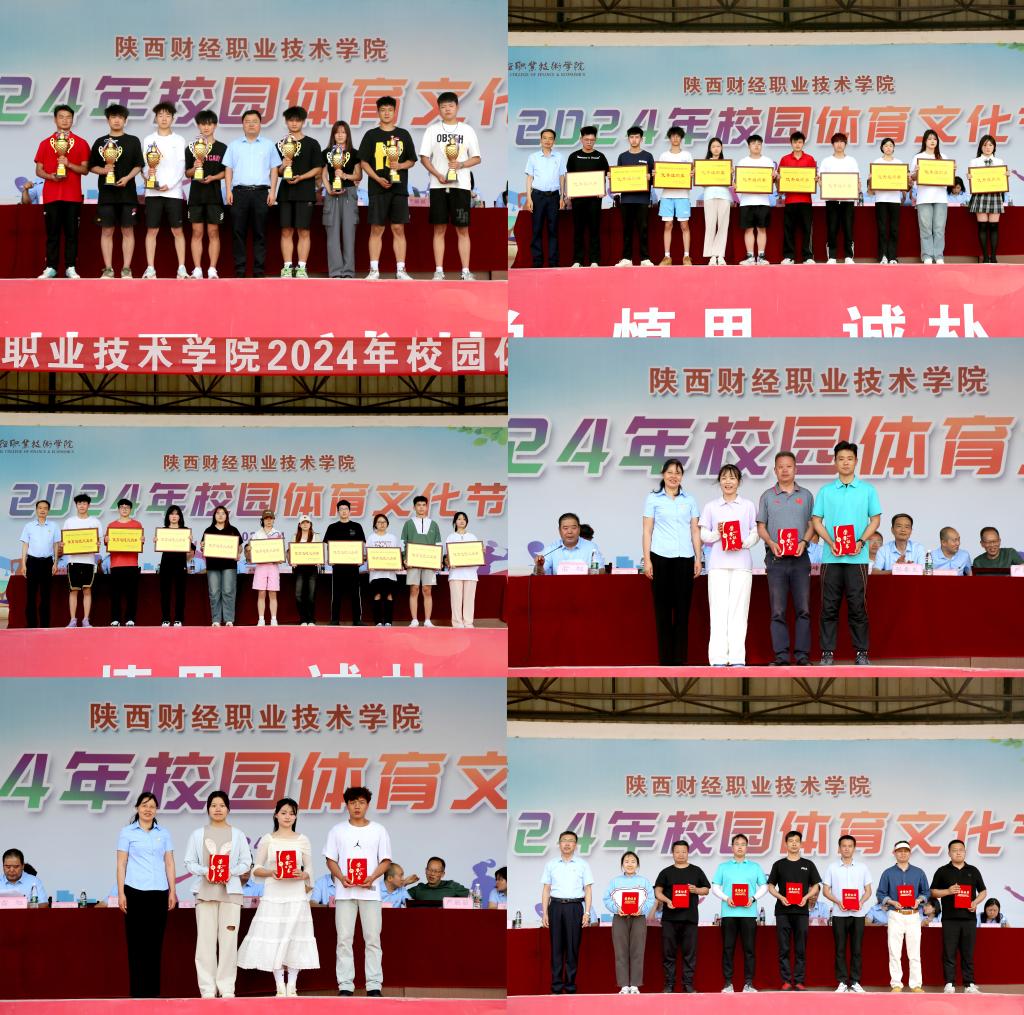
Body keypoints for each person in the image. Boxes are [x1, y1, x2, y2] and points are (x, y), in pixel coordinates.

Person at [237, 797, 318, 997]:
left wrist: (303, 874)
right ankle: (279, 986)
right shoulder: (268, 839)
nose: (287, 816)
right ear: (276, 815)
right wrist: (271, 872)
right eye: (283, 813)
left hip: (296, 895)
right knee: (275, 937)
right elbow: (256, 868)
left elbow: (309, 869)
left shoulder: (302, 839)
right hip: (274, 894)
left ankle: (293, 985)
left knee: (295, 939)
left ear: (296, 817)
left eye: (291, 813)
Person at [812, 441, 881, 665]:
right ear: (835, 462)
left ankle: (862, 652)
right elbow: (816, 521)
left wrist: (861, 541)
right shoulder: (826, 491)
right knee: (829, 606)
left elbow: (875, 520)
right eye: (841, 459)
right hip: (831, 557)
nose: (845, 463)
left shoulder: (867, 490)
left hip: (857, 558)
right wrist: (830, 542)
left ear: (856, 461)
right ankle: (827, 653)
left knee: (857, 606)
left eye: (849, 459)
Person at [184, 791, 253, 999]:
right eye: (213, 805)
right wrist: (207, 871)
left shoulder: (237, 835)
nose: (217, 809)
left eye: (222, 805)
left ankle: (227, 988)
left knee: (229, 942)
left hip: (230, 894)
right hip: (205, 893)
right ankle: (207, 989)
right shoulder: (198, 834)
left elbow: (246, 862)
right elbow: (189, 862)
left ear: (228, 809)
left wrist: (229, 872)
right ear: (208, 809)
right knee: (205, 942)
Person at [324, 786, 392, 998]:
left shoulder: (379, 830)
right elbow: (330, 859)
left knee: (372, 939)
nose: (357, 806)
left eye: (361, 802)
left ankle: (374, 986)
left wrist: (372, 877)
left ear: (367, 805)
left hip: (370, 892)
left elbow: (386, 860)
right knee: (344, 939)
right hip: (345, 893)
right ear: (347, 805)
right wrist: (341, 877)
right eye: (353, 802)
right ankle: (345, 985)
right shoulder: (337, 830)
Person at [757, 452, 815, 665]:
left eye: (789, 466)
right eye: (780, 466)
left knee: (804, 610)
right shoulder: (767, 496)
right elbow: (761, 526)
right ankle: (781, 657)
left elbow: (812, 525)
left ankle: (802, 656)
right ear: (775, 470)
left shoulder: (806, 495)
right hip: (776, 559)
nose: (784, 470)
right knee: (778, 611)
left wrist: (804, 542)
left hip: (800, 558)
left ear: (795, 469)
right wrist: (771, 542)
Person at [116, 792, 176, 998]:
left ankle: (152, 993)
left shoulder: (164, 833)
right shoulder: (127, 832)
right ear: (137, 808)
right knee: (136, 944)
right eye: (144, 805)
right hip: (134, 892)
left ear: (156, 810)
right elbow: (121, 864)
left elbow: (169, 863)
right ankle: (137, 993)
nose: (148, 809)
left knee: (154, 944)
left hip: (159, 893)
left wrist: (173, 891)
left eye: (152, 806)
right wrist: (121, 893)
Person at [642, 459, 701, 665]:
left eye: (678, 473)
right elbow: (647, 531)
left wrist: (699, 558)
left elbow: (695, 531)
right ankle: (666, 660)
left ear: (682, 476)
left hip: (685, 559)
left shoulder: (690, 500)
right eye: (670, 472)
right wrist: (647, 560)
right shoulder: (653, 499)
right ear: (663, 474)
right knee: (663, 611)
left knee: (683, 611)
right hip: (660, 558)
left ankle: (680, 659)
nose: (673, 476)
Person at [700, 465, 759, 667]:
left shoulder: (748, 506)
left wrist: (744, 542)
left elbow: (756, 532)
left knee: (739, 612)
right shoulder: (711, 507)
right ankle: (717, 657)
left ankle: (736, 657)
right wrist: (718, 533)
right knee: (718, 611)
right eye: (724, 478)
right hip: (717, 564)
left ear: (739, 482)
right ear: (719, 481)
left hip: (742, 564)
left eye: (732, 478)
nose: (728, 482)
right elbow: (703, 534)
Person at [418, 90, 481, 280]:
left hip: (460, 187)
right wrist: (437, 174)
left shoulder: (467, 130)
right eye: (443, 106)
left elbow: (476, 158)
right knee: (439, 229)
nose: (447, 109)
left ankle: (465, 271)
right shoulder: (432, 130)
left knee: (463, 229)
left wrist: (461, 164)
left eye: (451, 106)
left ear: (457, 107)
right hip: (438, 187)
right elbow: (424, 157)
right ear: (438, 109)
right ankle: (439, 270)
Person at [357, 96, 416, 280]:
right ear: (378, 112)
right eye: (383, 110)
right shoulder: (371, 135)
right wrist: (377, 178)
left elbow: (412, 160)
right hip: (377, 188)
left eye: (390, 109)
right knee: (377, 229)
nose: (386, 113)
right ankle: (374, 270)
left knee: (398, 228)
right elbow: (363, 162)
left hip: (399, 189)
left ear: (395, 112)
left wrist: (400, 166)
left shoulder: (403, 134)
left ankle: (401, 270)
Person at [223, 109, 282, 278]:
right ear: (242, 124)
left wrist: (273, 192)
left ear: (260, 124)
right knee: (238, 233)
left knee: (260, 234)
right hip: (239, 193)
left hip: (261, 193)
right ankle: (240, 271)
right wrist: (228, 190)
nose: (251, 124)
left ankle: (258, 271)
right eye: (247, 121)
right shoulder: (234, 145)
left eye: (254, 121)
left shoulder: (268, 145)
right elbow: (228, 169)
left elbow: (274, 169)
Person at [34, 103, 88, 279]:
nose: (65, 120)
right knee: (52, 234)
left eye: (68, 117)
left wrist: (68, 164)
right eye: (61, 117)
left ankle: (70, 267)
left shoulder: (81, 143)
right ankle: (51, 267)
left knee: (72, 234)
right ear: (55, 119)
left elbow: (85, 170)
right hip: (51, 196)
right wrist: (51, 176)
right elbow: (38, 170)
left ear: (73, 120)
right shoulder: (45, 143)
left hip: (72, 196)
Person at [90, 103, 144, 278]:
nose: (117, 120)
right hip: (107, 194)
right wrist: (104, 170)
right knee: (107, 231)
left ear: (125, 120)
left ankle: (126, 268)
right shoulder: (100, 142)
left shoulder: (133, 141)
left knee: (128, 231)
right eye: (113, 117)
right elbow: (91, 166)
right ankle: (108, 268)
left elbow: (139, 165)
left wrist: (127, 178)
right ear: (108, 120)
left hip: (128, 194)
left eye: (120, 117)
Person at [766, 830, 821, 991]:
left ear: (801, 844)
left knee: (800, 948)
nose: (794, 843)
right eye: (791, 841)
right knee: (784, 948)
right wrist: (780, 897)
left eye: (797, 841)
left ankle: (798, 980)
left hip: (802, 911)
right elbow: (771, 886)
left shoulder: (808, 864)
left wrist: (807, 897)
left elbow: (816, 885)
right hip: (783, 911)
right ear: (786, 844)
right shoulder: (779, 864)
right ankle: (786, 981)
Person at [712, 834, 767, 992]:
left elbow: (764, 886)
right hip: (728, 913)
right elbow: (715, 887)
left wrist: (753, 898)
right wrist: (726, 898)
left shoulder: (755, 867)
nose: (740, 847)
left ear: (747, 847)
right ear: (732, 847)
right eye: (737, 844)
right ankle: (728, 983)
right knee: (728, 949)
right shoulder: (723, 867)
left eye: (743, 844)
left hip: (749, 914)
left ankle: (748, 983)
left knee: (749, 950)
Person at [931, 838, 987, 993]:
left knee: (968, 952)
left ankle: (969, 984)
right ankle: (949, 983)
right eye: (954, 850)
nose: (958, 852)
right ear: (949, 853)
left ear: (965, 852)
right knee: (949, 952)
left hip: (969, 919)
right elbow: (933, 892)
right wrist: (948, 891)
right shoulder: (942, 871)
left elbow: (983, 891)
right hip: (950, 919)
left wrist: (975, 902)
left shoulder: (973, 870)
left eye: (961, 850)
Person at [654, 840, 710, 993]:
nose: (680, 854)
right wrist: (667, 901)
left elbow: (706, 889)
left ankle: (688, 984)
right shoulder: (666, 872)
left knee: (689, 954)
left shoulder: (696, 871)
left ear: (688, 853)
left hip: (689, 919)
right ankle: (669, 985)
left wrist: (696, 890)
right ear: (672, 853)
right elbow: (657, 892)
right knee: (668, 954)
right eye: (677, 851)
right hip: (669, 919)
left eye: (683, 851)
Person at [541, 830, 593, 995]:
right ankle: (556, 987)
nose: (567, 843)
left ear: (575, 845)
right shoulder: (551, 864)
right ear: (559, 843)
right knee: (556, 948)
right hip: (556, 906)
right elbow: (546, 889)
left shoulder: (582, 864)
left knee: (572, 948)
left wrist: (587, 913)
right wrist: (545, 913)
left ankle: (570, 987)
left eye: (571, 840)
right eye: (564, 840)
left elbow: (588, 889)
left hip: (575, 907)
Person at [274, 106, 322, 278]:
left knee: (304, 230)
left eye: (297, 120)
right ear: (286, 122)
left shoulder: (312, 143)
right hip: (285, 193)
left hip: (305, 192)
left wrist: (301, 177)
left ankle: (301, 267)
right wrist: (283, 166)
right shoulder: (280, 145)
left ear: (303, 122)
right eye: (291, 120)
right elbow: (276, 171)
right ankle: (287, 266)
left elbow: (318, 168)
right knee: (286, 230)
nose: (294, 123)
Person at [140, 102, 187, 279]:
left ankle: (181, 268)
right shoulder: (148, 139)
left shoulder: (179, 140)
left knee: (178, 230)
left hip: (173, 193)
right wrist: (148, 175)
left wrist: (171, 184)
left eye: (167, 115)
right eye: (160, 115)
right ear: (156, 118)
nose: (164, 118)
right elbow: (145, 166)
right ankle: (150, 268)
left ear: (173, 118)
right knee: (152, 230)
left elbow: (181, 166)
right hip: (153, 193)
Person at [877, 839, 930, 993]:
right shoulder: (888, 873)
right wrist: (892, 902)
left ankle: (916, 984)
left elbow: (926, 892)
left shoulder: (919, 872)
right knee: (894, 951)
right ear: (894, 853)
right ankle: (896, 984)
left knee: (914, 952)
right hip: (896, 914)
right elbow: (880, 894)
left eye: (905, 851)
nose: (902, 854)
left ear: (910, 853)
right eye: (899, 851)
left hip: (913, 915)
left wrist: (918, 900)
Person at [821, 834, 872, 993]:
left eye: (850, 846)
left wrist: (861, 902)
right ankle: (842, 981)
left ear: (854, 848)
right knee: (840, 949)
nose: (847, 849)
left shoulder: (862, 867)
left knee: (857, 949)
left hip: (858, 915)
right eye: (844, 846)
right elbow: (825, 890)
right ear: (839, 848)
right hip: (839, 914)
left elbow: (868, 891)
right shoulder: (832, 867)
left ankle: (855, 981)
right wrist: (838, 902)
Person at [603, 851, 655, 994]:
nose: (630, 864)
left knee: (637, 951)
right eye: (626, 861)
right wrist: (617, 909)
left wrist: (641, 910)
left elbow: (651, 899)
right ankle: (624, 985)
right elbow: (606, 899)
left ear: (637, 864)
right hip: (619, 918)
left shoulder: (644, 881)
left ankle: (635, 985)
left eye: (633, 861)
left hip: (638, 918)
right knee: (621, 952)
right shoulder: (615, 882)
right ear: (622, 865)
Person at [184, 109, 227, 279]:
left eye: (209, 124)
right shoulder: (191, 148)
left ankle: (212, 269)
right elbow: (187, 173)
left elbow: (226, 172)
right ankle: (197, 269)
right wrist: (195, 167)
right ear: (198, 126)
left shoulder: (222, 148)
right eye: (203, 124)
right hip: (196, 197)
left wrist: (214, 177)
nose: (206, 127)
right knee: (196, 232)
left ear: (215, 125)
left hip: (214, 196)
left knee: (213, 232)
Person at [321, 120, 361, 279]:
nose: (340, 135)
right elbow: (323, 174)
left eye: (343, 132)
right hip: (332, 195)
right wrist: (329, 189)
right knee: (332, 234)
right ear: (333, 135)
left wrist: (344, 175)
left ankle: (348, 271)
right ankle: (335, 272)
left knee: (349, 234)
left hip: (349, 194)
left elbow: (358, 175)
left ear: (347, 135)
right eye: (337, 132)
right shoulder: (326, 153)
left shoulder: (354, 153)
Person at [565, 125, 608, 267]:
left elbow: (606, 175)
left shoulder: (600, 156)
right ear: (581, 139)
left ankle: (594, 260)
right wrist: (569, 193)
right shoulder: (574, 156)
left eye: (592, 140)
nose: (589, 142)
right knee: (578, 230)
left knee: (594, 230)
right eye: (586, 139)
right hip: (578, 200)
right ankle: (577, 260)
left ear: (595, 140)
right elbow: (569, 176)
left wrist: (603, 189)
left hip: (595, 200)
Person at [524, 128, 565, 268]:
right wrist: (529, 198)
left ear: (554, 141)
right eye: (545, 138)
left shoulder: (559, 157)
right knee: (536, 230)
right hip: (537, 196)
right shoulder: (533, 157)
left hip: (554, 196)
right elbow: (529, 178)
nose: (547, 141)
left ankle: (553, 262)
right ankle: (537, 262)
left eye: (550, 138)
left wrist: (562, 197)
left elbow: (562, 177)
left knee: (553, 230)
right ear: (540, 140)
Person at [615, 126, 655, 267]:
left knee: (643, 229)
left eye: (637, 137)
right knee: (627, 229)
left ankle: (645, 258)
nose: (634, 140)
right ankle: (627, 258)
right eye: (631, 137)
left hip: (642, 199)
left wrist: (650, 177)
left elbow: (655, 178)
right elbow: (618, 178)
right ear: (628, 139)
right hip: (626, 199)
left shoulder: (648, 156)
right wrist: (613, 178)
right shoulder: (622, 156)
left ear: (641, 139)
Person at [818, 132, 860, 263]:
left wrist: (857, 188)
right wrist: (821, 183)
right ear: (832, 144)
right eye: (836, 142)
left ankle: (848, 256)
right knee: (832, 228)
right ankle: (832, 256)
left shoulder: (851, 160)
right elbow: (821, 181)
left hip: (848, 200)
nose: (839, 144)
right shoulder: (826, 161)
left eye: (842, 141)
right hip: (832, 200)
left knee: (848, 228)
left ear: (845, 144)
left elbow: (857, 180)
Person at [401, 496, 442, 627]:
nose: (421, 507)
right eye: (418, 505)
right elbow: (403, 542)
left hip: (429, 562)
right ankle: (414, 619)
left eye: (424, 505)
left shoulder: (433, 524)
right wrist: (405, 558)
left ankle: (428, 620)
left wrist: (438, 560)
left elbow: (438, 543)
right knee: (414, 589)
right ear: (414, 507)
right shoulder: (408, 524)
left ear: (427, 507)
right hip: (413, 562)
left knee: (427, 589)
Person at [19, 498, 59, 628]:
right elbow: (25, 545)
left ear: (48, 511)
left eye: (45, 508)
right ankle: (31, 625)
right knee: (31, 595)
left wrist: (55, 563)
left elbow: (56, 545)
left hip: (47, 563)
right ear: (36, 510)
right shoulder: (29, 526)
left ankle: (45, 625)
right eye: (40, 508)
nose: (42, 510)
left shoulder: (53, 526)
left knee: (45, 595)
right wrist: (23, 564)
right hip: (32, 562)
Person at [324, 499, 365, 625]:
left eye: (346, 509)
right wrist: (329, 559)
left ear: (349, 511)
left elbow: (362, 544)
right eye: (341, 509)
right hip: (337, 566)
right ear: (338, 512)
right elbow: (327, 545)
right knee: (336, 594)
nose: (344, 511)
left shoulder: (357, 526)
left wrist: (361, 558)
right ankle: (334, 620)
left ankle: (357, 620)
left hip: (353, 567)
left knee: (355, 594)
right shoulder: (332, 527)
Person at [911, 129, 949, 264]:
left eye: (935, 139)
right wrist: (916, 173)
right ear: (925, 141)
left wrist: (952, 171)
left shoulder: (943, 157)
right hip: (924, 197)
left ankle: (939, 256)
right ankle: (927, 255)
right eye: (930, 139)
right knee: (925, 228)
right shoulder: (918, 157)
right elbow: (912, 178)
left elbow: (949, 177)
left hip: (940, 198)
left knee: (939, 229)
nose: (932, 141)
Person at [657, 126, 694, 266]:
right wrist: (657, 175)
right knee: (668, 225)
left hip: (683, 195)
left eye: (678, 136)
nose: (675, 138)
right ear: (669, 138)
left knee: (684, 225)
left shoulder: (687, 155)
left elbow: (691, 174)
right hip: (667, 195)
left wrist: (692, 173)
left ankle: (686, 256)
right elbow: (660, 175)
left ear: (681, 138)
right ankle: (667, 257)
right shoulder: (663, 156)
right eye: (673, 136)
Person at [736, 134, 775, 265]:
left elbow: (772, 181)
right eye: (753, 143)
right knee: (748, 229)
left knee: (761, 229)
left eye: (759, 143)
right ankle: (750, 257)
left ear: (761, 146)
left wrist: (775, 177)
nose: (756, 146)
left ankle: (761, 257)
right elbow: (737, 182)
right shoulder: (742, 162)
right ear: (749, 146)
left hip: (763, 201)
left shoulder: (768, 162)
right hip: (746, 201)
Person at [62, 492, 99, 628]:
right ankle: (73, 620)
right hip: (73, 561)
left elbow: (98, 541)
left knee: (87, 590)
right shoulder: (69, 522)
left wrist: (97, 544)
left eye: (84, 503)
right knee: (73, 590)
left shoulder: (95, 522)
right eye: (79, 503)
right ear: (76, 505)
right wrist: (63, 544)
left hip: (89, 561)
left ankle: (85, 620)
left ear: (88, 505)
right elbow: (64, 541)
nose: (82, 506)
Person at [201, 505, 242, 626]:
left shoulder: (233, 530)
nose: (220, 515)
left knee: (228, 592)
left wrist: (238, 553)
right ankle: (216, 620)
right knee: (214, 593)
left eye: (223, 513)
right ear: (214, 516)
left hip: (229, 565)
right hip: (213, 565)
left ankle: (229, 619)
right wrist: (202, 547)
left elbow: (239, 547)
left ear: (226, 516)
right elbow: (203, 547)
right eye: (218, 513)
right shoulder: (208, 530)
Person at [105, 497, 144, 626]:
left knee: (131, 594)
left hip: (132, 564)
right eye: (122, 507)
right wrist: (106, 540)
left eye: (127, 507)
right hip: (116, 564)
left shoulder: (137, 525)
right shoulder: (111, 525)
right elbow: (108, 544)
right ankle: (115, 618)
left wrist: (141, 541)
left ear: (130, 509)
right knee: (115, 594)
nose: (124, 509)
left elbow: (139, 543)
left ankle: (130, 618)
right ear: (118, 509)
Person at [779, 131, 816, 264]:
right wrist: (778, 179)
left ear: (803, 143)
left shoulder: (810, 159)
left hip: (806, 200)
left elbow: (813, 178)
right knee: (789, 229)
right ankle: (789, 256)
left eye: (800, 142)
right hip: (790, 200)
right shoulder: (785, 159)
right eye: (795, 142)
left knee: (807, 229)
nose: (797, 145)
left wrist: (815, 179)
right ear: (791, 143)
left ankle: (808, 256)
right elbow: (780, 179)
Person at [968, 135, 1005, 263]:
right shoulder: (974, 161)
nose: (988, 147)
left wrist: (1005, 177)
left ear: (994, 147)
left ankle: (993, 257)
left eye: (990, 145)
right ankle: (985, 256)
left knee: (994, 226)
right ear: (981, 147)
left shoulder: (999, 162)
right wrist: (970, 177)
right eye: (985, 145)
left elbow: (1001, 180)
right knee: (982, 226)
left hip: (995, 195)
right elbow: (973, 180)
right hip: (980, 195)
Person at [869, 137, 905, 263]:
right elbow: (871, 187)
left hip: (895, 200)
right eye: (886, 145)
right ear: (882, 148)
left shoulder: (899, 163)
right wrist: (871, 179)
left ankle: (893, 257)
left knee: (894, 229)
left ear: (894, 148)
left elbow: (904, 183)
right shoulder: (877, 162)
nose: (888, 148)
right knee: (882, 229)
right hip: (881, 199)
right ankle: (883, 256)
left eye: (890, 145)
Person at [534, 512, 604, 575]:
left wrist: (584, 571)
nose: (570, 532)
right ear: (559, 530)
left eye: (573, 528)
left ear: (579, 529)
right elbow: (539, 573)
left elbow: (602, 571)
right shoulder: (552, 548)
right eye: (565, 528)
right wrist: (539, 566)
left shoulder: (591, 547)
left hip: (585, 584)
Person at [444, 511, 481, 628]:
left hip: (471, 573)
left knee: (469, 600)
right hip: (455, 574)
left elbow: (477, 554)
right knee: (456, 600)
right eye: (459, 519)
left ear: (467, 522)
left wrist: (481, 554)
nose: (461, 521)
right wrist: (449, 562)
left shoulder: (472, 537)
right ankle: (457, 623)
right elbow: (447, 557)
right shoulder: (451, 537)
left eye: (464, 519)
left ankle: (468, 623)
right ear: (455, 521)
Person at [245, 509, 282, 626]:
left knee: (272, 593)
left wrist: (280, 557)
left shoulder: (278, 534)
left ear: (274, 520)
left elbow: (280, 553)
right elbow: (250, 555)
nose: (269, 521)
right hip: (260, 566)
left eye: (271, 518)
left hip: (273, 566)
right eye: (266, 519)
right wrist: (249, 550)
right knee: (261, 593)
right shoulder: (257, 534)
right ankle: (261, 619)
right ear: (262, 520)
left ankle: (274, 619)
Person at [159, 505, 193, 626]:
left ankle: (179, 618)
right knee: (165, 592)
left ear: (180, 517)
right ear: (168, 516)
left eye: (176, 514)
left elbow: (191, 552)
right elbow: (159, 546)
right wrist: (157, 541)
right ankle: (165, 618)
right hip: (166, 564)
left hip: (180, 564)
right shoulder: (162, 531)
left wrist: (189, 542)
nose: (174, 516)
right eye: (171, 514)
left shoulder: (185, 531)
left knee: (180, 592)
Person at [701, 137, 732, 265]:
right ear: (710, 148)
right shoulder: (704, 164)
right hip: (709, 196)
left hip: (724, 196)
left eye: (718, 146)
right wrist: (697, 174)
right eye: (713, 146)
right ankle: (712, 256)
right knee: (710, 226)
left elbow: (730, 183)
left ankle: (720, 255)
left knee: (723, 227)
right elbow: (701, 182)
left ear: (721, 148)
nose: (716, 148)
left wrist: (731, 174)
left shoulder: (726, 164)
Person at [367, 514, 399, 626]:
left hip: (390, 574)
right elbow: (368, 555)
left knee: (389, 596)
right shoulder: (371, 538)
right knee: (377, 596)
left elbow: (396, 555)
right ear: (375, 524)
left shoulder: (392, 538)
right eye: (379, 522)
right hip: (375, 574)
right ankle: (378, 622)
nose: (382, 524)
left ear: (387, 524)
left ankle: (388, 621)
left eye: (384, 522)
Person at [292, 514, 318, 626]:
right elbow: (291, 552)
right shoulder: (295, 537)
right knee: (298, 595)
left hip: (312, 568)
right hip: (299, 569)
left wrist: (319, 559)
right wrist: (292, 560)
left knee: (311, 595)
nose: (305, 524)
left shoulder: (316, 537)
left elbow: (319, 552)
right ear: (299, 525)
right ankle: (303, 619)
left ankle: (311, 619)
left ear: (310, 524)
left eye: (307, 522)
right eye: (303, 522)